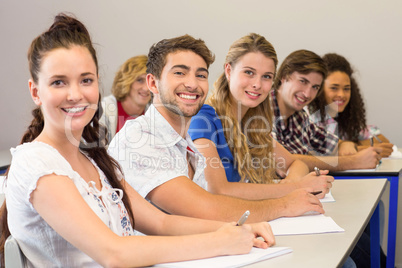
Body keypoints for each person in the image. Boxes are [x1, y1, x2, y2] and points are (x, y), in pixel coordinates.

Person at [0, 14, 275, 267]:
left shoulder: (95, 160)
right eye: (59, 82)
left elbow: (162, 223)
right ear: (36, 91)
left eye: (86, 80)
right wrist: (218, 242)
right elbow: (114, 253)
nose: (75, 94)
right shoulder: (36, 162)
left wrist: (236, 229)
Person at [108, 34, 326, 224]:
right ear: (153, 84)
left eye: (201, 75)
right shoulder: (139, 137)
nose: (192, 84)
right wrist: (285, 202)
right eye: (180, 73)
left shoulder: (188, 143)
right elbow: (208, 206)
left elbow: (205, 212)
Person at [187, 33, 333, 200]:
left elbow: (295, 163)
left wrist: (289, 184)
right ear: (228, 70)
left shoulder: (251, 125)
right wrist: (297, 187)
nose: (257, 84)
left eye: (266, 76)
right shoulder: (203, 118)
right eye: (249, 72)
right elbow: (218, 189)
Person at [270, 49, 382, 171]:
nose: (307, 94)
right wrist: (353, 161)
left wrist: (344, 144)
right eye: (302, 81)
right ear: (283, 77)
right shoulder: (264, 109)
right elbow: (283, 161)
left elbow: (328, 143)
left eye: (315, 87)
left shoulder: (299, 116)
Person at [308, 53, 393, 158]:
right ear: (319, 88)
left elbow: (383, 141)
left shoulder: (345, 120)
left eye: (346, 88)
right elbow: (326, 153)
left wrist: (351, 145)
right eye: (334, 88)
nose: (341, 94)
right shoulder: (310, 118)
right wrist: (359, 147)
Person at [100, 55, 152, 142]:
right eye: (140, 80)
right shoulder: (104, 110)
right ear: (126, 81)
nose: (146, 88)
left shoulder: (154, 114)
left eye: (150, 81)